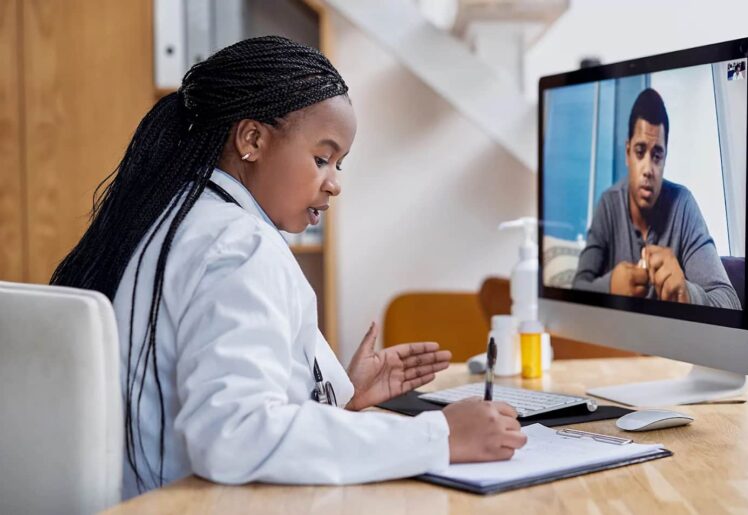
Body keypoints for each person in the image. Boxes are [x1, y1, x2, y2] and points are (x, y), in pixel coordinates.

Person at [51, 36, 526, 499]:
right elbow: (234, 435)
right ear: (252, 139)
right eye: (322, 158)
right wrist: (439, 435)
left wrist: (341, 391)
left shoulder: (180, 217)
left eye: (339, 164)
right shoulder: (239, 245)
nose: (334, 183)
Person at [572, 88, 741, 309]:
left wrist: (686, 293)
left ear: (665, 159)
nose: (648, 169)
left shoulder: (683, 205)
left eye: (657, 156)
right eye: (640, 151)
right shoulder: (608, 204)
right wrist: (610, 286)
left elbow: (731, 302)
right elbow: (577, 289)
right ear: (627, 153)